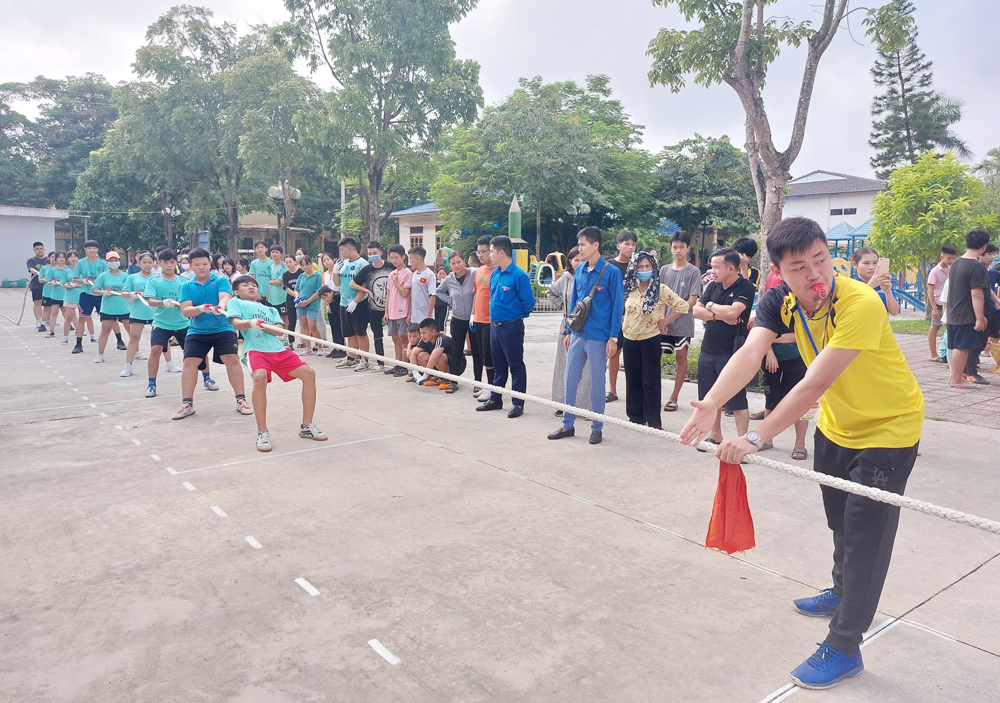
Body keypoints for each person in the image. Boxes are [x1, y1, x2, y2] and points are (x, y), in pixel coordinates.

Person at [680, 216, 924, 691]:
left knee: (865, 539)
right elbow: (750, 353)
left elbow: (815, 382)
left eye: (821, 260)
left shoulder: (859, 302)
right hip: (836, 427)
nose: (816, 274)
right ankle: (842, 592)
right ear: (779, 272)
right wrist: (711, 402)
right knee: (839, 521)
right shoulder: (779, 301)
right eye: (799, 266)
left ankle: (845, 644)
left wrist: (756, 436)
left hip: (889, 430)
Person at [226, 275, 326, 451]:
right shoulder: (236, 303)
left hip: (278, 350)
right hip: (255, 349)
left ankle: (307, 426)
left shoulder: (270, 310)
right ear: (236, 291)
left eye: (254, 285)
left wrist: (267, 327)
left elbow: (280, 331)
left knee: (309, 373)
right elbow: (236, 324)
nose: (251, 287)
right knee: (260, 377)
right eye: (245, 285)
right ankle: (262, 432)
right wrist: (250, 323)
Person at [546, 228, 623, 442]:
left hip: (599, 337)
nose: (579, 248)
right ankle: (567, 424)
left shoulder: (611, 272)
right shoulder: (579, 271)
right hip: (578, 334)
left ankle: (597, 427)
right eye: (579, 245)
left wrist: (613, 338)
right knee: (569, 379)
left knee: (597, 383)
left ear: (595, 245)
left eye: (583, 244)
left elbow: (618, 306)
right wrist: (570, 331)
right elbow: (575, 304)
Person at [173, 248, 253, 420]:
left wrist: (221, 306)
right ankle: (187, 404)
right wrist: (200, 309)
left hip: (223, 329)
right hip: (197, 331)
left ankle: (241, 400)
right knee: (189, 362)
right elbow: (186, 310)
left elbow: (225, 297)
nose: (201, 267)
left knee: (232, 359)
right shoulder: (186, 286)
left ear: (210, 264)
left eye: (204, 264)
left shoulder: (221, 281)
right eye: (197, 264)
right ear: (191, 266)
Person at [691, 248, 755, 450]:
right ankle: (715, 434)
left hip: (732, 351)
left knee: (736, 397)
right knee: (710, 395)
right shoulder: (712, 286)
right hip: (709, 348)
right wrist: (718, 312)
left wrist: (709, 306)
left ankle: (743, 440)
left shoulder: (745, 287)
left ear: (731, 268)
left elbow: (735, 311)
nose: (713, 271)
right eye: (712, 267)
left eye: (716, 267)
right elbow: (695, 311)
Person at [621, 251, 690, 430]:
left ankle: (653, 420)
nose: (644, 270)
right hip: (629, 339)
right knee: (632, 380)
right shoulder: (628, 288)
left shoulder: (660, 289)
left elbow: (683, 306)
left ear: (654, 267)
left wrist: (665, 321)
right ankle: (635, 417)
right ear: (634, 269)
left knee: (650, 381)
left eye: (647, 266)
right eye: (640, 267)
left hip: (650, 339)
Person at [478, 235, 535, 418]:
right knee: (499, 365)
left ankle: (518, 403)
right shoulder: (495, 273)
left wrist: (516, 316)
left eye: (492, 251)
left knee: (515, 365)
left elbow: (528, 302)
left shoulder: (518, 275)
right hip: (495, 326)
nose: (490, 255)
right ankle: (495, 398)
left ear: (501, 252)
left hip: (511, 327)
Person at [659, 230, 702, 413]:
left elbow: (692, 301)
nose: (678, 250)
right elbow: (660, 297)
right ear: (671, 248)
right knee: (655, 356)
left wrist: (670, 318)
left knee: (681, 357)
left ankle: (674, 397)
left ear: (688, 248)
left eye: (681, 247)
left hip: (682, 323)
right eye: (675, 247)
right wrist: (662, 319)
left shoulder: (694, 271)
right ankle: (653, 394)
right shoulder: (664, 270)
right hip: (663, 323)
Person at [548, 247, 590, 418]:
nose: (579, 263)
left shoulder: (591, 277)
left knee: (586, 369)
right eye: (575, 260)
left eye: (582, 260)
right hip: (567, 328)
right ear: (570, 262)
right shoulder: (566, 278)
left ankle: (584, 405)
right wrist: (562, 305)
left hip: (587, 329)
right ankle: (562, 402)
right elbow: (551, 292)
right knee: (564, 366)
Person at [946, 230, 991, 388]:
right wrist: (980, 318)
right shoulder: (977, 267)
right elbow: (976, 295)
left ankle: (954, 377)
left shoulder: (956, 262)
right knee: (962, 347)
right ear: (984, 246)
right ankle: (957, 379)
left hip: (953, 312)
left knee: (957, 346)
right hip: (966, 314)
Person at [142, 249, 186, 397]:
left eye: (172, 262)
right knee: (155, 350)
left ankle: (207, 378)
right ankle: (151, 384)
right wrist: (163, 302)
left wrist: (181, 304)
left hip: (183, 323)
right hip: (161, 323)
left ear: (176, 263)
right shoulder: (153, 281)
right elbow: (150, 301)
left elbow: (190, 302)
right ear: (159, 263)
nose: (169, 265)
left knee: (196, 352)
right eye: (165, 262)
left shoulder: (184, 282)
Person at [435, 250, 476, 384]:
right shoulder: (449, 279)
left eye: (459, 262)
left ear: (464, 261)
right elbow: (438, 292)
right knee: (457, 350)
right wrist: (451, 301)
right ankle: (453, 381)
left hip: (473, 319)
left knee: (477, 351)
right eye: (453, 264)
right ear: (450, 266)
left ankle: (478, 382)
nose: (457, 265)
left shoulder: (473, 274)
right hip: (457, 319)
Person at [605, 229, 636, 402]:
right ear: (618, 246)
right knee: (614, 352)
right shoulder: (609, 266)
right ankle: (613, 390)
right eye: (626, 244)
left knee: (631, 355)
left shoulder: (638, 265)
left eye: (633, 244)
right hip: (615, 316)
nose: (630, 247)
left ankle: (633, 392)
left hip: (634, 318)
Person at [352, 241, 391, 373]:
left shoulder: (390, 267)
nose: (372, 256)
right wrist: (367, 291)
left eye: (374, 253)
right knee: (377, 336)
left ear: (380, 253)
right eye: (369, 254)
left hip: (391, 308)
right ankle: (380, 363)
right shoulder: (367, 270)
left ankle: (404, 364)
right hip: (374, 308)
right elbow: (353, 284)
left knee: (399, 336)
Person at [331, 238, 370, 369]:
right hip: (344, 302)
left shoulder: (362, 264)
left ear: (349, 248)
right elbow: (337, 283)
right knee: (349, 333)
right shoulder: (344, 263)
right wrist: (335, 271)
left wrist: (355, 301)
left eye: (342, 249)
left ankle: (364, 359)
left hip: (358, 303)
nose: (341, 252)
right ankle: (351, 358)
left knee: (360, 332)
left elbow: (364, 285)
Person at [91, 251, 135, 363]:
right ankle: (100, 354)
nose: (113, 262)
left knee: (131, 331)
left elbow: (129, 290)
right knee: (105, 331)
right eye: (111, 261)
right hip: (108, 308)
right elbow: (94, 290)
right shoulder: (103, 276)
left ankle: (137, 351)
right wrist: (103, 292)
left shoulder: (126, 276)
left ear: (119, 261)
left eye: (115, 260)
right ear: (107, 262)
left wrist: (117, 292)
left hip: (124, 307)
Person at [120, 251, 157, 377]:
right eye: (144, 262)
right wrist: (131, 294)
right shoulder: (133, 277)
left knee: (160, 340)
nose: (147, 265)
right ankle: (128, 366)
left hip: (155, 313)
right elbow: (124, 293)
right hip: (137, 312)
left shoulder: (157, 278)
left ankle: (170, 363)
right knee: (133, 338)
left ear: (154, 263)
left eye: (149, 262)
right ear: (139, 263)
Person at [409, 317, 466, 391]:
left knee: (438, 357)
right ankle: (438, 377)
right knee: (420, 355)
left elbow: (434, 357)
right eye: (421, 333)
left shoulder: (441, 339)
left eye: (424, 333)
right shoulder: (424, 339)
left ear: (433, 332)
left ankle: (447, 379)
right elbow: (413, 353)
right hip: (443, 363)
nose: (422, 335)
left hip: (458, 366)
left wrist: (424, 376)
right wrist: (415, 373)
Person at [470, 235, 496, 399]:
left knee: (489, 356)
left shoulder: (497, 271)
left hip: (490, 320)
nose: (480, 255)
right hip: (478, 319)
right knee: (479, 354)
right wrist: (472, 314)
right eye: (478, 252)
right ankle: (486, 386)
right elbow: (476, 294)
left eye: (483, 252)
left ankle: (492, 388)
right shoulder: (479, 270)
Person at [385, 244, 414, 377]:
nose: (394, 260)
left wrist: (396, 281)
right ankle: (398, 364)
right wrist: (386, 311)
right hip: (392, 311)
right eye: (392, 258)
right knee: (395, 338)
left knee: (404, 339)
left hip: (403, 311)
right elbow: (389, 294)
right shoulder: (391, 274)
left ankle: (405, 364)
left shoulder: (408, 274)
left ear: (403, 257)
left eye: (396, 257)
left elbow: (404, 293)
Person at [926, 244, 957, 362]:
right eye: (949, 258)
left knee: (947, 327)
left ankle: (945, 351)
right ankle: (933, 354)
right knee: (934, 327)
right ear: (941, 257)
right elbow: (930, 290)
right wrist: (933, 308)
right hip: (938, 302)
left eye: (953, 258)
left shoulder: (952, 269)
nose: (951, 260)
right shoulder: (935, 271)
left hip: (949, 303)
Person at [851, 247, 899, 316]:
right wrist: (870, 286)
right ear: (855, 265)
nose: (871, 267)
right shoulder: (850, 285)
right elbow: (853, 309)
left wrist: (888, 292)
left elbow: (895, 312)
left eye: (875, 263)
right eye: (866, 263)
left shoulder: (883, 284)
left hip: (881, 326)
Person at [295, 255, 323, 355]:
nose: (305, 267)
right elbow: (296, 289)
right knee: (304, 325)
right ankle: (307, 347)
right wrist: (297, 298)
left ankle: (320, 347)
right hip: (300, 304)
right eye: (302, 265)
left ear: (311, 264)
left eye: (307, 265)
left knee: (313, 326)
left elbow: (318, 291)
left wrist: (308, 301)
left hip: (313, 304)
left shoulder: (318, 275)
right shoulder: (301, 276)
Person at [320, 252, 346, 357]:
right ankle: (336, 347)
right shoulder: (324, 275)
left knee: (338, 325)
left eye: (328, 259)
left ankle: (342, 349)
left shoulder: (339, 272)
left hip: (338, 300)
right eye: (324, 261)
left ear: (333, 260)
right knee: (333, 326)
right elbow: (323, 289)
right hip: (329, 302)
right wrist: (327, 302)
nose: (326, 262)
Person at [407, 246, 437, 324]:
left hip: (425, 317)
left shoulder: (429, 274)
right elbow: (412, 295)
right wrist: (410, 314)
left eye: (411, 258)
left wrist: (428, 315)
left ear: (418, 259)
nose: (410, 261)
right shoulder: (414, 275)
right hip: (414, 317)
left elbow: (432, 295)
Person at [44, 251, 70, 338]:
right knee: (54, 313)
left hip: (66, 295)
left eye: (63, 257)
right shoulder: (52, 270)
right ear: (56, 259)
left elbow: (72, 281)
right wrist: (52, 282)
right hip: (55, 295)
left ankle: (73, 329)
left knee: (67, 313)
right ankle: (51, 331)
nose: (61, 259)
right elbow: (47, 281)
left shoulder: (69, 269)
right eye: (59, 257)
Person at [60, 251, 82, 344]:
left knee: (84, 317)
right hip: (69, 295)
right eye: (71, 257)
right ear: (67, 259)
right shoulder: (65, 270)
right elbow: (63, 284)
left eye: (75, 256)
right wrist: (68, 285)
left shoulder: (82, 269)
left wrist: (77, 285)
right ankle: (65, 337)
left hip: (81, 295)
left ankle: (82, 334)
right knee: (68, 316)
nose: (73, 258)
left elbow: (85, 283)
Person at [27, 241, 48, 331]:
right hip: (36, 284)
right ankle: (38, 320)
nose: (39, 250)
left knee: (49, 304)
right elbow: (31, 268)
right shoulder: (31, 260)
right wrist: (38, 272)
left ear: (44, 249)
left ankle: (47, 320)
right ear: (34, 250)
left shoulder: (48, 260)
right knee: (37, 302)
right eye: (37, 249)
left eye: (41, 248)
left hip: (48, 284)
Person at [281, 255, 301, 345]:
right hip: (290, 301)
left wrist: (299, 297)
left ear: (295, 262)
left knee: (306, 322)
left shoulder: (301, 272)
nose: (288, 264)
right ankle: (291, 342)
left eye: (290, 262)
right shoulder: (285, 275)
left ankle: (311, 343)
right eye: (286, 262)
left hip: (302, 299)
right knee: (291, 322)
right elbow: (286, 288)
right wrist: (295, 296)